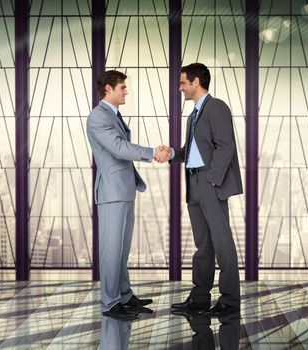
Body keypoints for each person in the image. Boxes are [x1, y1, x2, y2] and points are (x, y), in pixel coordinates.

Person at [86, 70, 172, 319]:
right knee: (111, 250)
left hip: (123, 190)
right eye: (122, 87)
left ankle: (124, 295)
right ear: (108, 90)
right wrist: (151, 152)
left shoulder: (113, 114)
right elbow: (118, 147)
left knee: (121, 249)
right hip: (112, 192)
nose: (126, 91)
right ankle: (111, 303)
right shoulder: (97, 117)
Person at [166, 63, 243, 317]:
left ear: (196, 82)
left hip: (210, 183)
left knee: (222, 242)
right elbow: (191, 151)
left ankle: (229, 301)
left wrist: (212, 180)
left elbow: (225, 146)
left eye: (182, 83)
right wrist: (173, 153)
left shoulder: (217, 107)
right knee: (203, 244)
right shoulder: (193, 116)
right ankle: (200, 297)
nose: (180, 88)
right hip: (193, 183)